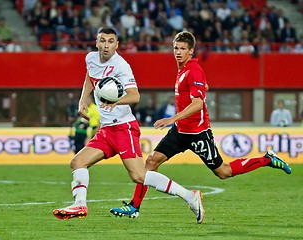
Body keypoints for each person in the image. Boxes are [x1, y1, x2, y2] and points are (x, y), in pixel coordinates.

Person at [110, 31, 291, 221]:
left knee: (224, 172)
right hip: (180, 131)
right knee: (151, 162)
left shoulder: (193, 70)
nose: (178, 52)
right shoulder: (184, 70)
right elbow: (201, 89)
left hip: (198, 134)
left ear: (191, 51)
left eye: (182, 49)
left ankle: (267, 159)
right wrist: (200, 91)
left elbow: (197, 104)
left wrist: (172, 118)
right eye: (176, 48)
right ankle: (134, 206)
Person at [52, 27, 204, 223]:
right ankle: (80, 204)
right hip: (106, 130)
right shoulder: (90, 58)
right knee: (77, 162)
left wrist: (115, 102)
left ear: (117, 45)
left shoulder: (121, 66)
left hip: (124, 128)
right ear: (97, 42)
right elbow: (90, 77)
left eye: (110, 41)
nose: (106, 45)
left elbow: (135, 95)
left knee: (139, 176)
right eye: (103, 40)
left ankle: (190, 197)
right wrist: (83, 100)